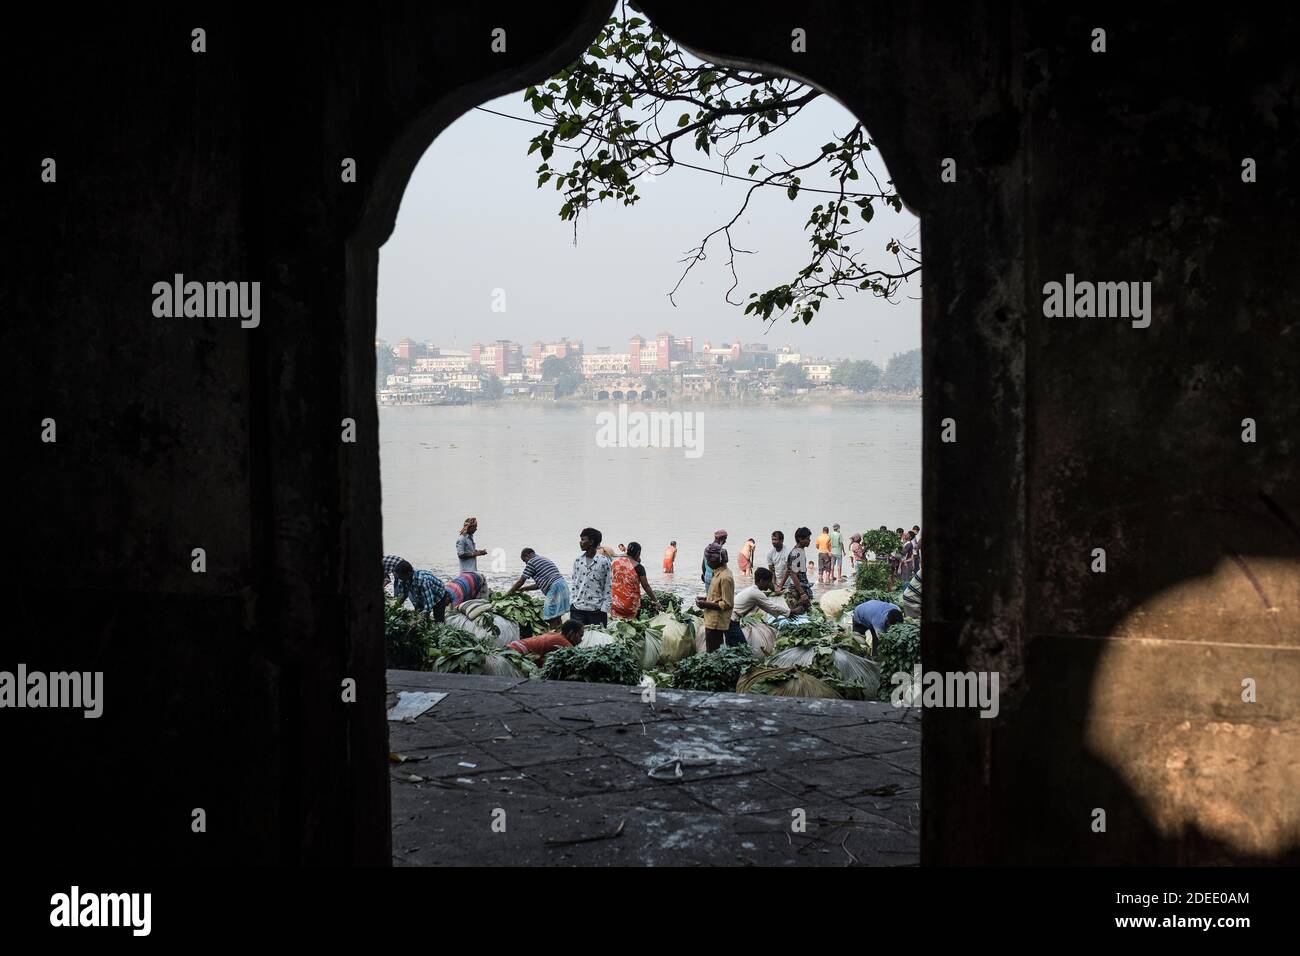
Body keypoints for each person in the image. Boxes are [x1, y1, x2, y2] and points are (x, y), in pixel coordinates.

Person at [506, 548, 571, 626]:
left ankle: (553, 635)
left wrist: (509, 592)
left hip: (554, 588)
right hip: (562, 585)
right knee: (556, 616)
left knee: (550, 617)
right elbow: (539, 585)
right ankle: (559, 634)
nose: (526, 564)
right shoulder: (543, 559)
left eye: (524, 561)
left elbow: (521, 581)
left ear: (527, 555)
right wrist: (524, 589)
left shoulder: (531, 562)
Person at [695, 542, 739, 651]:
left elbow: (727, 603)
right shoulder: (716, 573)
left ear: (715, 561)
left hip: (716, 622)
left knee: (714, 652)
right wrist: (705, 599)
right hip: (711, 620)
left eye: (708, 560)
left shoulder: (725, 577)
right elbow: (717, 596)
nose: (707, 562)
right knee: (711, 650)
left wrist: (705, 604)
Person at [570, 527, 612, 627]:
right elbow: (574, 583)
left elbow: (609, 586)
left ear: (591, 541)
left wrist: (604, 608)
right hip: (577, 609)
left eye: (583, 539)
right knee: (576, 641)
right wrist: (572, 602)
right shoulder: (578, 561)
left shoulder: (604, 562)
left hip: (596, 610)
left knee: (598, 641)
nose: (580, 542)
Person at [611, 541, 656, 619]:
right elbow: (646, 586)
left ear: (627, 550)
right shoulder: (639, 567)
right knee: (632, 626)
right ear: (638, 553)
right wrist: (655, 601)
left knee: (615, 625)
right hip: (630, 606)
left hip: (615, 603)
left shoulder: (615, 562)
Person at [777, 527, 813, 614]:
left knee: (804, 613)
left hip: (800, 587)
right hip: (798, 589)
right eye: (807, 538)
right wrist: (802, 593)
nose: (809, 540)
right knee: (802, 613)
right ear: (800, 539)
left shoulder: (799, 551)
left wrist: (780, 586)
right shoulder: (796, 553)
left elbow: (788, 570)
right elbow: (793, 574)